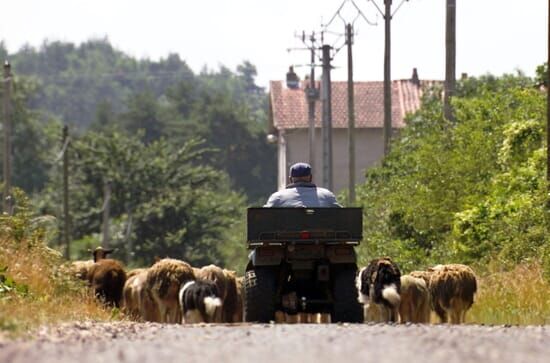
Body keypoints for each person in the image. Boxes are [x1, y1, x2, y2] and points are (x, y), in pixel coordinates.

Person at [264, 162, 342, 207]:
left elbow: (264, 214)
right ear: (311, 178)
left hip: (284, 234)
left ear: (290, 179)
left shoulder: (278, 197)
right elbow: (341, 213)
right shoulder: (326, 195)